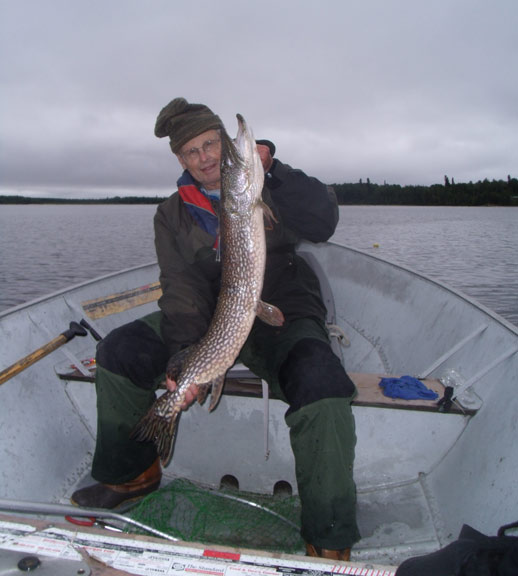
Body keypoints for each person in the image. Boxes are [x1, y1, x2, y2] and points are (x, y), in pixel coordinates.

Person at [72, 98, 360, 560]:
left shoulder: (266, 188)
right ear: (180, 160)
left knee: (323, 384)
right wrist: (187, 357)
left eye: (212, 145)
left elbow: (323, 221)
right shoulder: (172, 214)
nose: (205, 157)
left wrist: (276, 171)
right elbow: (181, 289)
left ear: (227, 150)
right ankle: (131, 474)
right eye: (192, 151)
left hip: (277, 309)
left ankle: (328, 535)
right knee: (119, 352)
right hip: (208, 318)